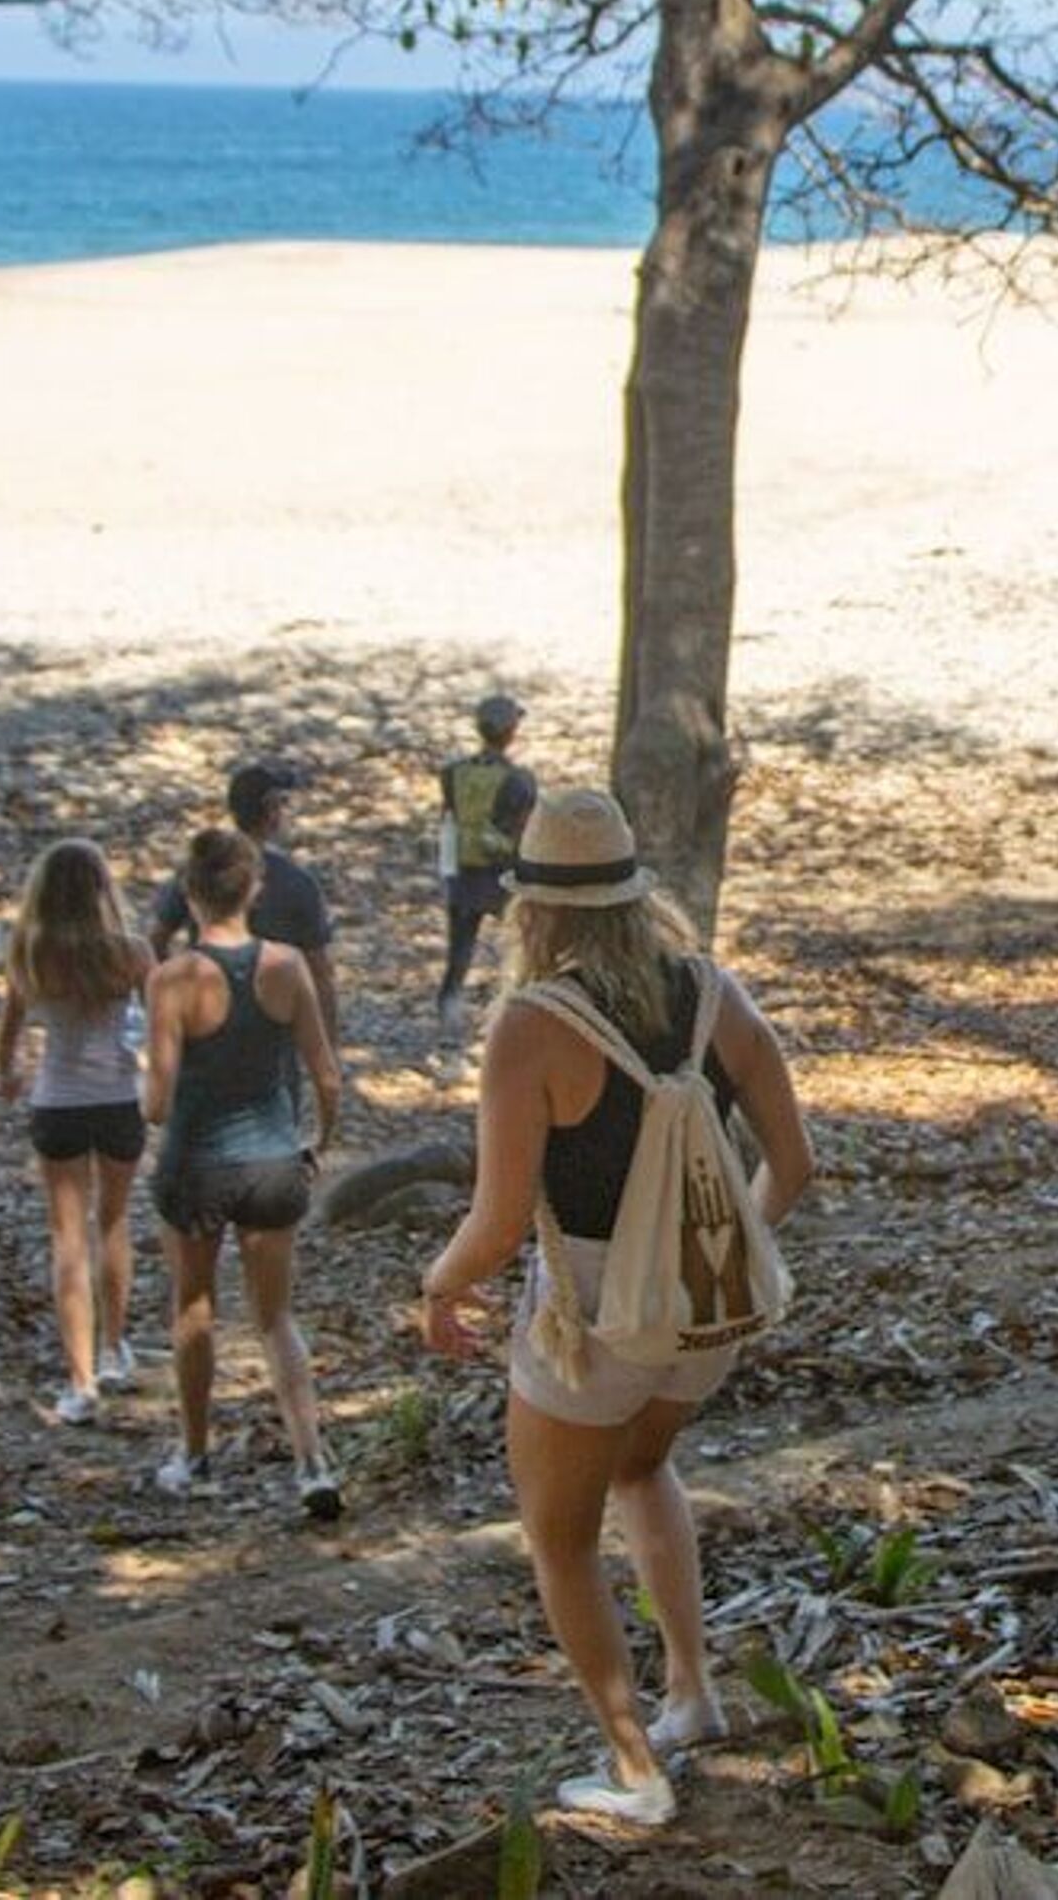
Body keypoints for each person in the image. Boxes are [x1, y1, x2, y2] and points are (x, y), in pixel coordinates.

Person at [416, 788, 817, 1826]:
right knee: (643, 1467)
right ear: (637, 894)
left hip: (594, 1322)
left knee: (559, 1538)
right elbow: (794, 1164)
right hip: (705, 1316)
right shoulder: (716, 995)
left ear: (533, 910)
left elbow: (500, 1223)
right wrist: (719, 1251)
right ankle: (693, 1693)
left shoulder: (532, 1027)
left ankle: (635, 1771)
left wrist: (439, 1284)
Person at [143, 826, 350, 1516]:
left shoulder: (171, 980)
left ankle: (194, 1455)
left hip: (195, 1163)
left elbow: (156, 1104)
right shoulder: (286, 967)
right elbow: (327, 1076)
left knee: (193, 1307)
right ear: (253, 889)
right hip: (272, 1160)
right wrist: (318, 1141)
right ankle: (312, 1461)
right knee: (276, 1317)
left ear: (189, 893)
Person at [0, 839, 149, 1425]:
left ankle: (80, 1382)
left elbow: (7, 1038)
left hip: (57, 1102)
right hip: (118, 1097)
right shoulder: (131, 953)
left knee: (68, 1239)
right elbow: (160, 1022)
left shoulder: (29, 953)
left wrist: (8, 1076)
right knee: (114, 1222)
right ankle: (114, 1347)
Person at [149, 760, 340, 1039]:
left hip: (205, 1013)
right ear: (271, 812)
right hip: (273, 1027)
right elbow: (321, 973)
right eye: (281, 804)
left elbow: (156, 939)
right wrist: (328, 1045)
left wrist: (171, 1003)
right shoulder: (298, 883)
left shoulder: (201, 866)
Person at [433, 692, 539, 1034]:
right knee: (524, 945)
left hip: (463, 874)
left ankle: (449, 1012)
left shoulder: (452, 773)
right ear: (510, 732)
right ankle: (522, 1009)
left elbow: (449, 819)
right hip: (504, 875)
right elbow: (526, 830)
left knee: (460, 949)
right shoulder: (519, 780)